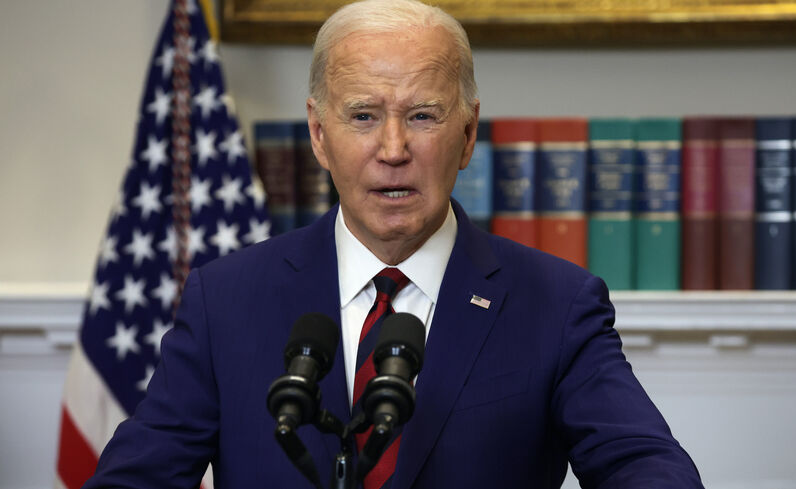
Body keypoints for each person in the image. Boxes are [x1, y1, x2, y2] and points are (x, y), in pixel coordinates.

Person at [85, 0, 704, 487]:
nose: (392, 149)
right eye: (362, 116)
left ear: (466, 137)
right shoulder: (225, 300)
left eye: (423, 116)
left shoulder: (556, 302)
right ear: (319, 136)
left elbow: (646, 465)